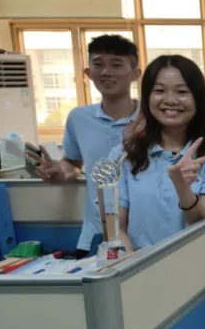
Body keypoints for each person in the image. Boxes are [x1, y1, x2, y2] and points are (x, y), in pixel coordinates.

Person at [109, 55, 205, 329]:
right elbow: (116, 226)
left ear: (197, 98)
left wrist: (182, 187)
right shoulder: (123, 156)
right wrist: (133, 271)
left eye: (182, 91)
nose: (170, 100)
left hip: (198, 280)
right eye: (159, 90)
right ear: (147, 97)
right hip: (139, 279)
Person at [34, 34, 140, 258]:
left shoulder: (151, 118)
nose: (106, 72)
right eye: (98, 64)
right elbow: (73, 163)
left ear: (135, 74)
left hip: (145, 233)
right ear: (88, 73)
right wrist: (60, 174)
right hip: (96, 235)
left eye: (116, 65)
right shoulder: (79, 118)